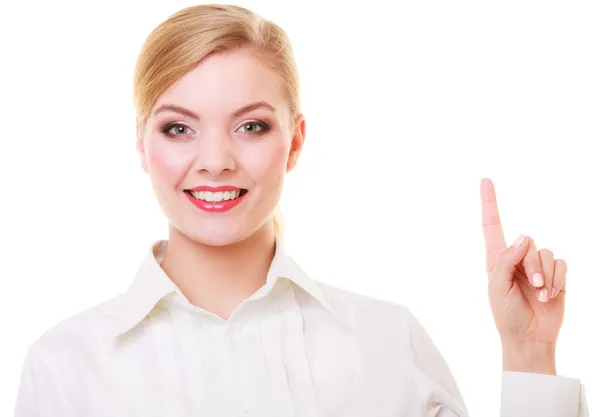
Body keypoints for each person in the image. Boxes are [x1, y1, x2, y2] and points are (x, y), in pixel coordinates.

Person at [14, 4, 588, 416]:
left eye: (251, 126)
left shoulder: (388, 344)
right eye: (179, 127)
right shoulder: (65, 367)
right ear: (142, 143)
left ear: (294, 142)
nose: (215, 161)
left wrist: (530, 353)